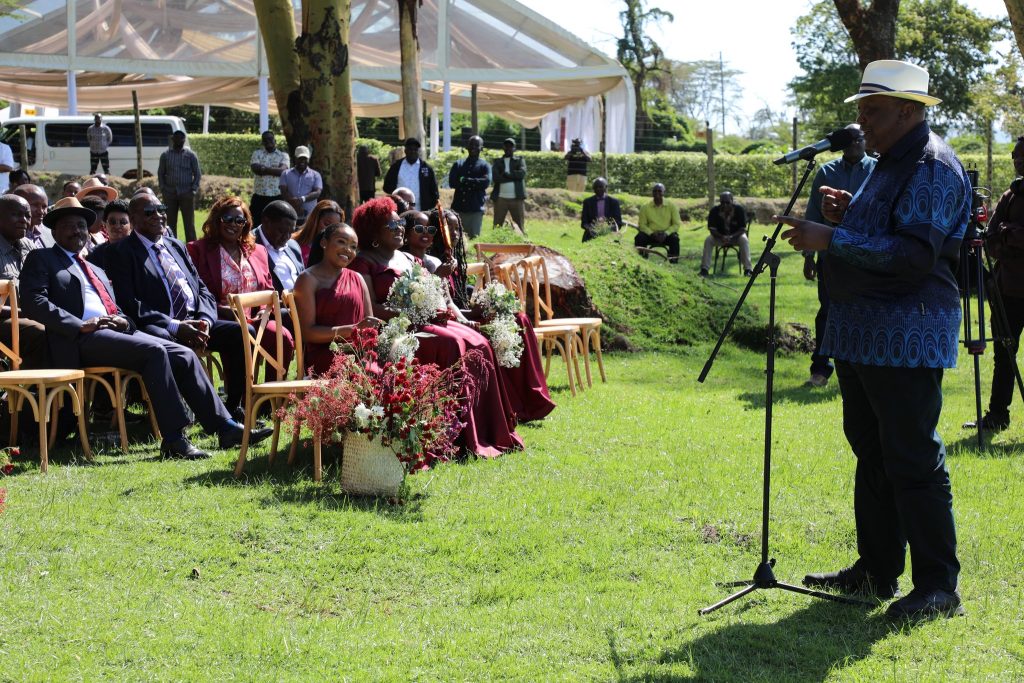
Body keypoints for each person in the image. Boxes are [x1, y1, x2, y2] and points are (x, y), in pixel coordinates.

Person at [776, 60, 969, 620]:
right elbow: (888, 230)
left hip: (907, 336)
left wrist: (832, 237)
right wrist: (851, 215)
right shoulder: (889, 162)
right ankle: (877, 570)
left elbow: (914, 256)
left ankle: (939, 587)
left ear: (909, 112)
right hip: (861, 334)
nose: (862, 120)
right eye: (861, 108)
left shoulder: (932, 165)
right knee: (872, 451)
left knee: (912, 457)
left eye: (872, 110)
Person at [19, 196, 271, 460]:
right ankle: (174, 438)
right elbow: (33, 301)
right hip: (80, 337)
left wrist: (121, 319)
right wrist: (80, 325)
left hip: (116, 331)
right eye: (70, 226)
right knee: (153, 351)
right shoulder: (42, 258)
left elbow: (116, 306)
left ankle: (225, 427)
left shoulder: (94, 267)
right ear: (55, 231)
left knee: (182, 354)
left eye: (82, 226)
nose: (77, 231)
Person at [349, 197, 523, 457]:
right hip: (396, 331)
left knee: (479, 341)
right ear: (373, 231)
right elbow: (371, 307)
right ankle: (456, 435)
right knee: (452, 344)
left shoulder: (408, 258)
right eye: (391, 224)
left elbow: (434, 293)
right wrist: (408, 311)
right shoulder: (363, 263)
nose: (399, 228)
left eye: (399, 222)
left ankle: (490, 430)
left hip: (424, 321)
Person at [105, 193, 251, 421]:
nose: (158, 215)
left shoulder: (176, 246)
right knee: (162, 341)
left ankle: (234, 407)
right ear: (133, 218)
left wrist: (205, 320)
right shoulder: (121, 252)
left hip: (197, 323)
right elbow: (129, 303)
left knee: (242, 332)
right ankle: (184, 417)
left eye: (161, 209)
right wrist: (176, 326)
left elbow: (201, 289)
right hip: (159, 328)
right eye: (149, 212)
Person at [186, 196, 294, 381]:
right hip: (219, 318)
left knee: (282, 336)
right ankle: (242, 399)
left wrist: (263, 312)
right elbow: (194, 294)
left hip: (254, 318)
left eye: (239, 220)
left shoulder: (257, 251)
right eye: (227, 219)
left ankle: (269, 399)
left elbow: (268, 290)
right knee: (239, 336)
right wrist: (224, 312)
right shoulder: (198, 250)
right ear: (217, 220)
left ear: (246, 224)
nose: (233, 224)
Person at [802, 123, 876, 388]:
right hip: (831, 252)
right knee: (828, 310)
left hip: (867, 253)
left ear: (865, 140)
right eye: (849, 140)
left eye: (858, 139)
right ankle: (820, 369)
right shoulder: (826, 172)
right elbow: (813, 214)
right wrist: (809, 255)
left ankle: (862, 368)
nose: (854, 144)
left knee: (866, 309)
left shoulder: (878, 170)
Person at [968, 136, 1024, 431]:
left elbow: (1003, 233)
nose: (1017, 161)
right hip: (1008, 291)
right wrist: (1007, 237)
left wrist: (1008, 233)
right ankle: (997, 415)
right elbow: (988, 238)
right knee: (1004, 355)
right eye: (1015, 156)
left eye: (1022, 156)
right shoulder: (1010, 195)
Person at [293, 222, 378, 377]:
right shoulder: (308, 279)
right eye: (341, 242)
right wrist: (352, 330)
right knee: (368, 373)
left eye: (353, 247)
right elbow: (307, 333)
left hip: (357, 353)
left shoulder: (358, 278)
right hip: (325, 355)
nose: (348, 250)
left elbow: (369, 326)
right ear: (324, 243)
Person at [0, 194, 47, 369]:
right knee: (40, 332)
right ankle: (29, 391)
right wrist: (25, 312)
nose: (24, 220)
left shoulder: (30, 246)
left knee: (67, 328)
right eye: (16, 215)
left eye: (27, 216)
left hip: (27, 314)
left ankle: (60, 391)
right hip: (5, 318)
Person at [158, 130, 202, 242]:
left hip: (186, 193)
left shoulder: (191, 155)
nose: (179, 141)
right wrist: (163, 188)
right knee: (170, 222)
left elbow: (197, 173)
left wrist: (193, 189)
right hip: (170, 193)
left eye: (182, 138)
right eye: (177, 138)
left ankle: (192, 247)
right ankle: (171, 244)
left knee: (189, 223)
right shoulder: (165, 155)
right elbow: (160, 173)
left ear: (184, 139)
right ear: (173, 140)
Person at [254, 200, 304, 295]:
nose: (287, 237)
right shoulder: (249, 245)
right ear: (266, 222)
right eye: (282, 231)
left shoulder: (293, 246)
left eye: (291, 232)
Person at [448, 135, 491, 239]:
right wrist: (475, 182)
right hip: (458, 209)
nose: (473, 147)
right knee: (455, 239)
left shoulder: (484, 165)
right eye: (471, 145)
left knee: (473, 240)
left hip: (475, 210)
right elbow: (452, 183)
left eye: (477, 145)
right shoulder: (458, 164)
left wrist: (465, 180)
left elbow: (485, 182)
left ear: (482, 148)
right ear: (466, 147)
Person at [702, 191, 753, 277]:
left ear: (732, 201)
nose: (725, 205)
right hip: (719, 237)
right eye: (722, 203)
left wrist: (731, 237)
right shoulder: (714, 211)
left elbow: (742, 229)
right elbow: (712, 229)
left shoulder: (739, 210)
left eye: (727, 202)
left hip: (736, 237)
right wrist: (722, 237)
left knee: (744, 239)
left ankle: (748, 269)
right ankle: (704, 269)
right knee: (708, 240)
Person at [382, 138, 439, 212]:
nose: (413, 152)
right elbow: (387, 186)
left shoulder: (426, 168)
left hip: (421, 210)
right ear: (405, 151)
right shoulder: (396, 166)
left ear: (418, 151)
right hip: (400, 210)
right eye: (410, 149)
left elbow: (434, 191)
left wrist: (429, 206)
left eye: (415, 150)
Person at [249, 131, 289, 227]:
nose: (268, 141)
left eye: (270, 139)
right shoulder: (257, 153)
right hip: (259, 196)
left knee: (276, 223)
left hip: (276, 196)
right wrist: (275, 170)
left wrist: (264, 169)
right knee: (254, 222)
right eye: (265, 140)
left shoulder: (283, 155)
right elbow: (255, 169)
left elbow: (282, 171)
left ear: (275, 140)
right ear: (262, 142)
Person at [635, 183, 680, 262]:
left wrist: (666, 233)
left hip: (666, 235)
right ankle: (640, 260)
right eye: (655, 191)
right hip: (651, 235)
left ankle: (674, 262)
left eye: (659, 191)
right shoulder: (645, 207)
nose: (657, 193)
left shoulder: (671, 206)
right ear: (652, 193)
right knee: (639, 237)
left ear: (664, 192)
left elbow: (676, 224)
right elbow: (642, 225)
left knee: (675, 239)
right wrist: (652, 233)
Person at [491, 137, 527, 232]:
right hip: (500, 198)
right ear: (503, 148)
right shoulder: (497, 162)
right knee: (497, 225)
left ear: (514, 148)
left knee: (519, 225)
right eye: (506, 146)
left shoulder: (519, 160)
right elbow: (496, 178)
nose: (508, 148)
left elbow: (521, 174)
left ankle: (521, 244)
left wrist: (506, 174)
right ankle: (495, 245)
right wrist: (513, 178)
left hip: (516, 198)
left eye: (510, 146)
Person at [292, 199, 343, 265]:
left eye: (335, 227)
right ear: (315, 221)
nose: (330, 230)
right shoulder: (293, 243)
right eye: (326, 224)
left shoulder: (338, 251)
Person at [279, 146, 322, 224]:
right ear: (295, 158)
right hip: (289, 214)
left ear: (308, 159)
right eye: (300, 158)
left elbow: (317, 192)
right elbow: (284, 191)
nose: (302, 161)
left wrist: (302, 199)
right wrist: (295, 206)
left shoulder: (316, 175)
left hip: (309, 216)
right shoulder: (285, 173)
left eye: (305, 158)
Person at [87, 199, 132, 271]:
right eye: (112, 222)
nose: (117, 226)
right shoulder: (95, 254)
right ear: (104, 225)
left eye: (123, 222)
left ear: (131, 225)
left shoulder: (140, 250)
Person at [11, 184, 54, 249]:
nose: (41, 211)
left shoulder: (49, 233)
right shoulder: (8, 237)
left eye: (44, 207)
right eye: (35, 205)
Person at [580, 177, 622, 242]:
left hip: (610, 233)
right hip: (592, 233)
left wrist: (606, 229)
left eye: (600, 187)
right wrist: (591, 229)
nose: (598, 189)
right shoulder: (587, 202)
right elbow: (584, 223)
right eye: (596, 187)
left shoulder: (614, 202)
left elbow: (618, 222)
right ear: (593, 189)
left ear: (606, 187)